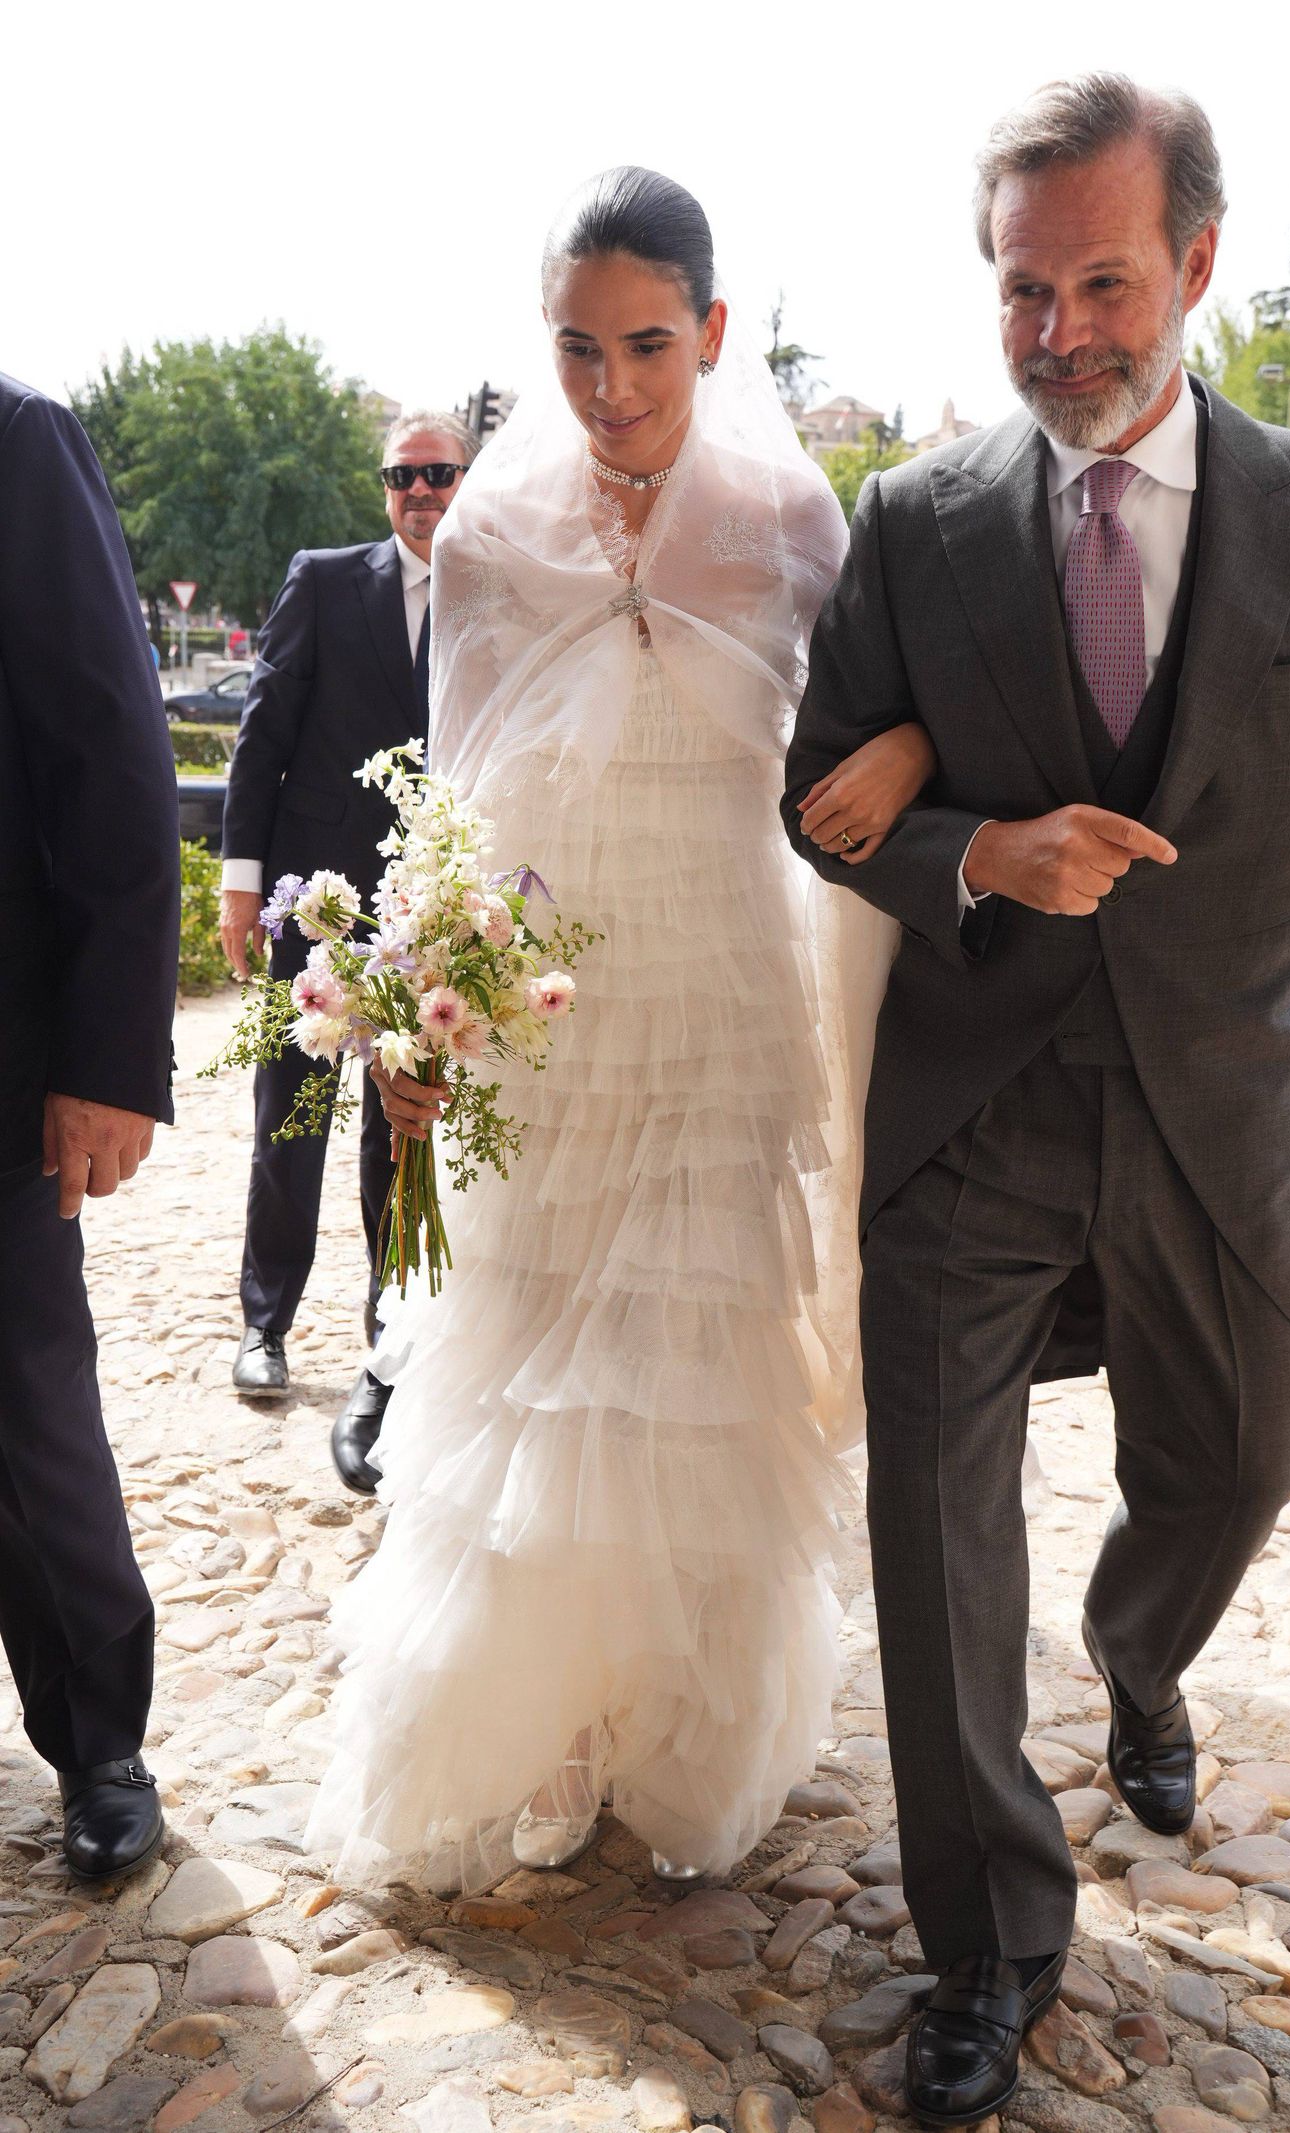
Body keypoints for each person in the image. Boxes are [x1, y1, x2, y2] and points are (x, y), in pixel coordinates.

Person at [784, 75, 1290, 2127]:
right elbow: (819, 786)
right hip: (970, 1112)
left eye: (1101, 282)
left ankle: (1138, 1648)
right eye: (1021, 290)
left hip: (1218, 1109)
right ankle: (991, 1942)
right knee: (934, 1538)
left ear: (1194, 261)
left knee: (1233, 1463)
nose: (1059, 333)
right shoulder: (912, 520)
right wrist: (974, 853)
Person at [304, 169, 925, 1892]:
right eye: (578, 348)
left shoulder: (794, 521)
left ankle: (675, 1724)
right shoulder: (491, 536)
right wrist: (422, 1008)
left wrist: (908, 759)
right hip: (549, 1010)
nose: (612, 384)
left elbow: (874, 731)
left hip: (724, 992)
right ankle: (546, 1725)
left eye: (648, 344)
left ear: (711, 333)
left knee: (692, 1371)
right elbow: (453, 792)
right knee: (536, 1349)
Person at [219, 410, 480, 1493]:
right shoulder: (323, 581)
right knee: (291, 1117)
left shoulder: (496, 595)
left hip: (427, 911)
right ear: (384, 487)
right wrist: (242, 887)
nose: (420, 491)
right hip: (313, 904)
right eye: (401, 475)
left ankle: (389, 1337)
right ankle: (265, 1324)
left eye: (439, 473)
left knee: (398, 1131)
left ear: (470, 480)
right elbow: (263, 735)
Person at [0, 374, 181, 1881]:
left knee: (24, 1406)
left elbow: (113, 753)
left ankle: (98, 1739)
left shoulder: (15, 438)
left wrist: (109, 1057)